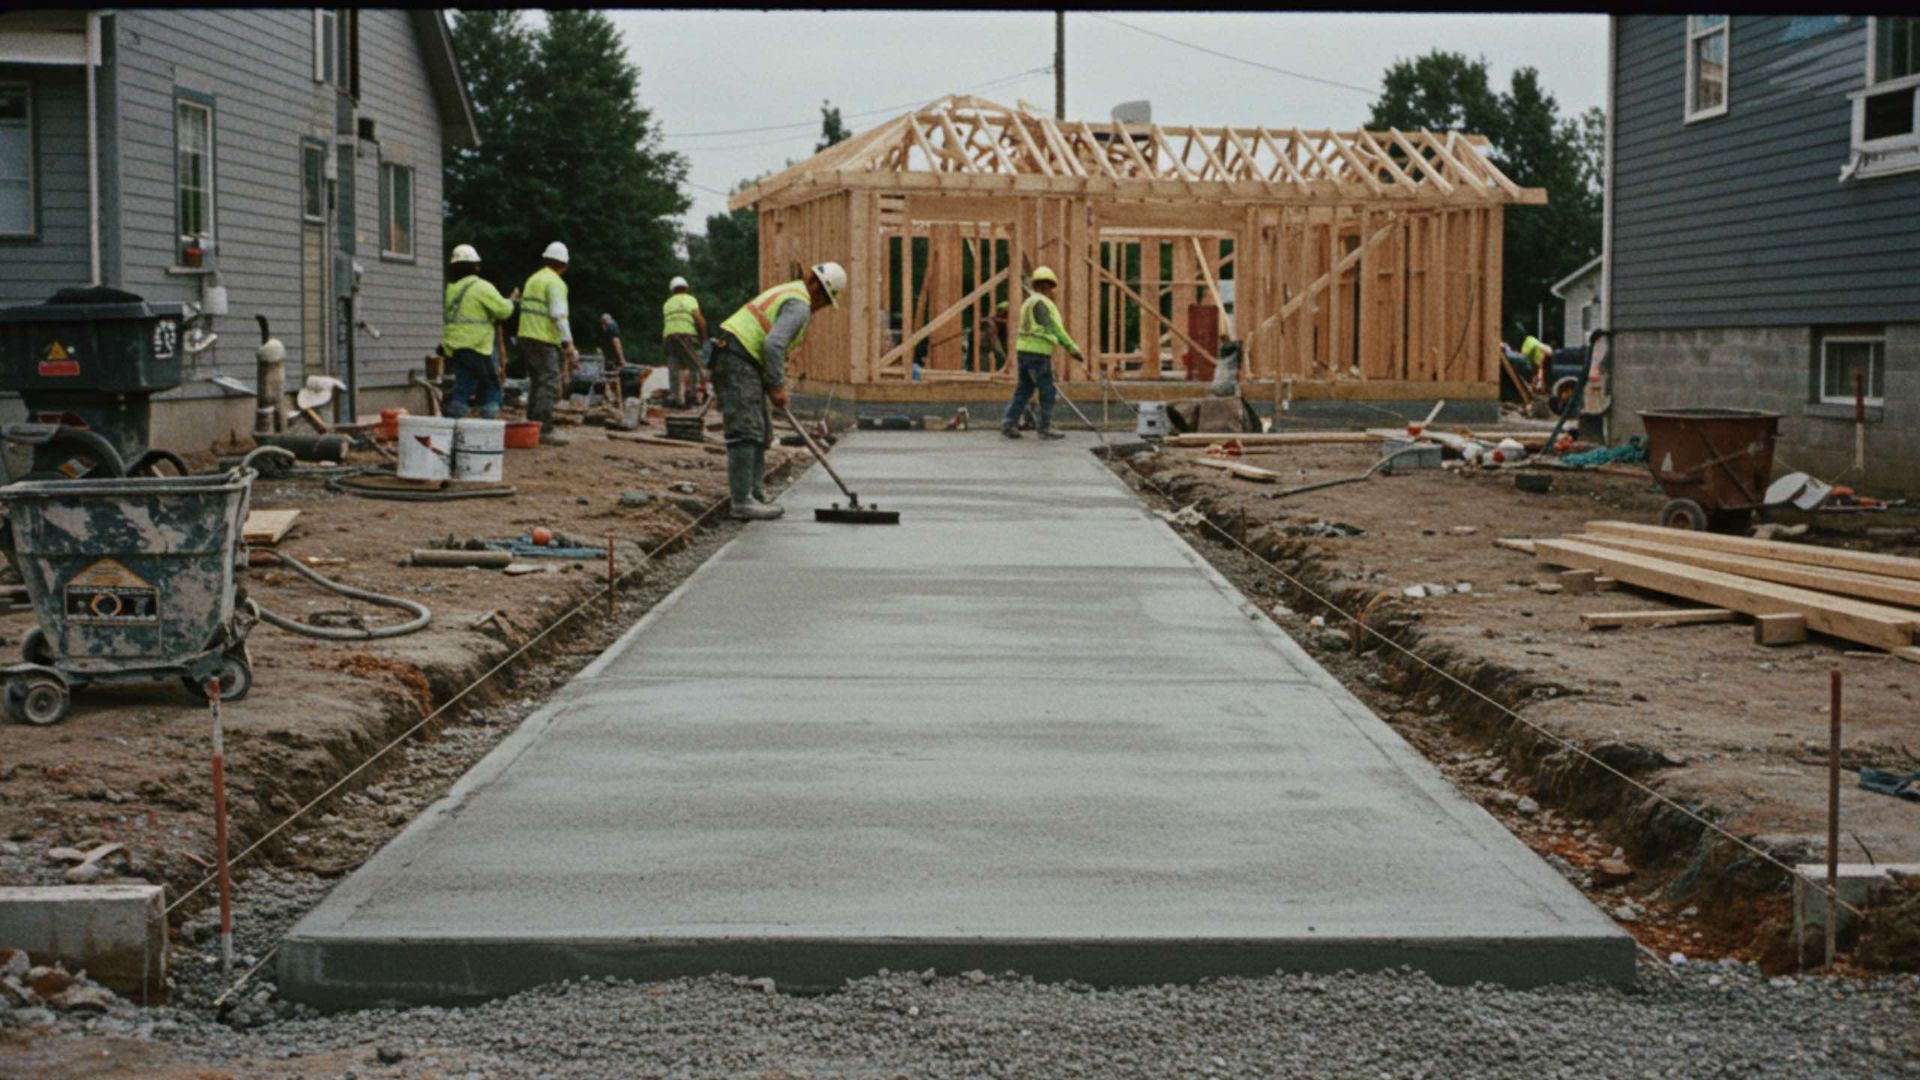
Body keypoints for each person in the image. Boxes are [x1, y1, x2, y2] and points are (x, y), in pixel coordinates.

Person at [710, 261, 847, 521]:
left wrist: (771, 382)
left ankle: (755, 494)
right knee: (745, 429)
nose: (822, 307)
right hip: (737, 358)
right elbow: (773, 344)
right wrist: (777, 385)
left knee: (762, 430)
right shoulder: (800, 305)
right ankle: (741, 501)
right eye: (826, 300)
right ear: (817, 289)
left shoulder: (792, 292)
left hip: (743, 358)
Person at [1001, 266, 1084, 440]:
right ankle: (1045, 428)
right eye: (1050, 287)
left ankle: (1009, 423)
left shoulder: (1028, 302)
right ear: (1047, 286)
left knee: (1024, 389)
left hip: (1023, 351)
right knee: (1047, 390)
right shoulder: (1043, 303)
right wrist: (1072, 349)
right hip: (1038, 353)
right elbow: (1055, 329)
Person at [440, 244, 514, 419]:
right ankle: (487, 428)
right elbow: (504, 311)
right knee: (491, 386)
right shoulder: (481, 287)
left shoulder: (451, 290)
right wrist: (512, 302)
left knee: (463, 387)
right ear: (475, 266)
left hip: (455, 348)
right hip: (477, 347)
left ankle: (452, 427)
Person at [518, 241, 577, 445]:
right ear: (564, 264)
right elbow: (558, 315)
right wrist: (568, 343)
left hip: (526, 335)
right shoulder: (556, 283)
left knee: (537, 381)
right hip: (543, 338)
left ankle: (532, 426)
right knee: (550, 381)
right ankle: (544, 428)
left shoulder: (534, 279)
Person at [661, 276, 706, 408]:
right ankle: (692, 395)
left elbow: (666, 324)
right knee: (694, 366)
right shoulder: (691, 299)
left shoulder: (667, 303)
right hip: (686, 335)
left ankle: (677, 399)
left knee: (673, 368)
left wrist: (664, 344)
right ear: (686, 288)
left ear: (672, 290)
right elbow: (700, 320)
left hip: (669, 337)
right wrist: (703, 338)